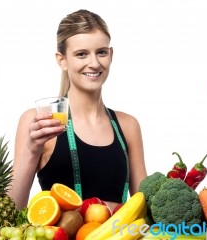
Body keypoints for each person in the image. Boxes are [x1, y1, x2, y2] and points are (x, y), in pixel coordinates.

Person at [9, 9, 147, 212]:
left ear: (110, 55)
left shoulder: (128, 125)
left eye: (101, 52)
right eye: (81, 54)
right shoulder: (39, 122)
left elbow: (144, 208)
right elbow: (10, 212)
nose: (94, 63)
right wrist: (31, 151)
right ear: (62, 60)